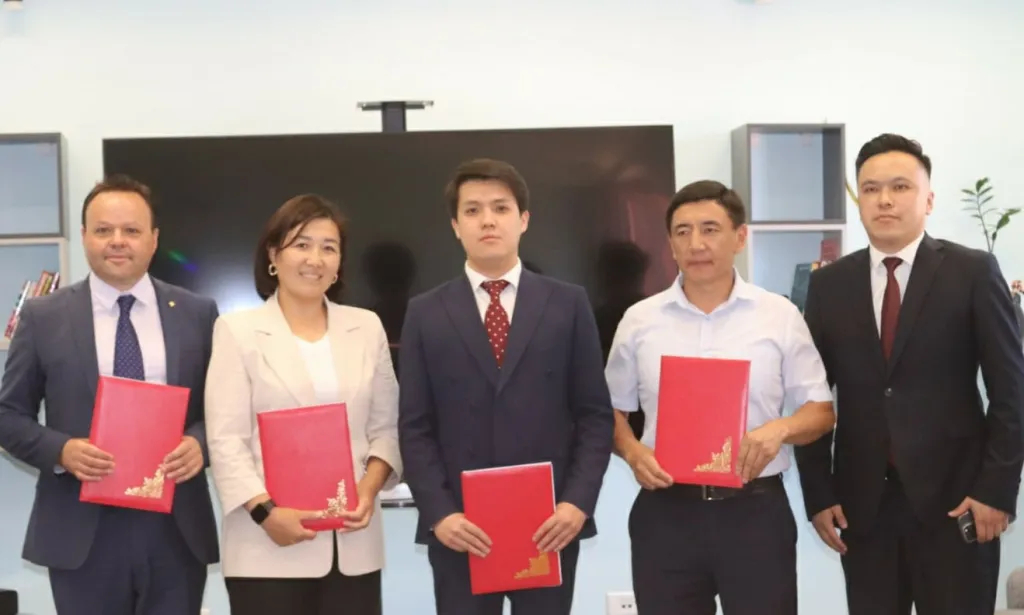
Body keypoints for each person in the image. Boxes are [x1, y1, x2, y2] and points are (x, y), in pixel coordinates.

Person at [794, 134, 1024, 615]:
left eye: (900, 186)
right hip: (863, 509)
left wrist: (996, 492)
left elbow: (1012, 391)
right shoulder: (829, 285)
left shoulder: (973, 272)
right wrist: (818, 493)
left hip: (959, 504)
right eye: (871, 188)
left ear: (928, 199)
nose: (884, 199)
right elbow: (812, 395)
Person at [605, 179, 836, 615]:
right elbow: (610, 410)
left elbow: (821, 411)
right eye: (683, 231)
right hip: (666, 513)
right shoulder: (639, 320)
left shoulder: (780, 315)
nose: (696, 243)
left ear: (740, 237)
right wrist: (634, 453)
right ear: (670, 244)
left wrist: (779, 430)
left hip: (755, 513)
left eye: (710, 229)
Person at [398, 158, 615, 615]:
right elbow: (414, 425)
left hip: (550, 525)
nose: (488, 220)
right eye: (472, 210)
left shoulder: (568, 303)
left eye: (500, 208)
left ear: (524, 219)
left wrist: (576, 504)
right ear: (456, 226)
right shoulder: (425, 312)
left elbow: (595, 415)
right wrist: (439, 513)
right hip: (461, 529)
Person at [0, 175, 220, 615]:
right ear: (85, 236)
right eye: (104, 230)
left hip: (175, 529)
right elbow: (7, 415)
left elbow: (224, 410)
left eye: (131, 230)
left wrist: (200, 443)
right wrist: (62, 451)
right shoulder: (44, 316)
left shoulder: (197, 313)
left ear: (154, 239)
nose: (117, 241)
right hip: (81, 532)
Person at [204, 194, 401, 615]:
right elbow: (225, 440)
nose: (315, 259)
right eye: (301, 245)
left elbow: (386, 429)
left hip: (353, 546)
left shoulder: (367, 327)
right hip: (265, 547)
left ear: (339, 263)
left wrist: (368, 491)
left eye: (329, 248)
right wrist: (265, 513)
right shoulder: (237, 331)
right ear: (273, 255)